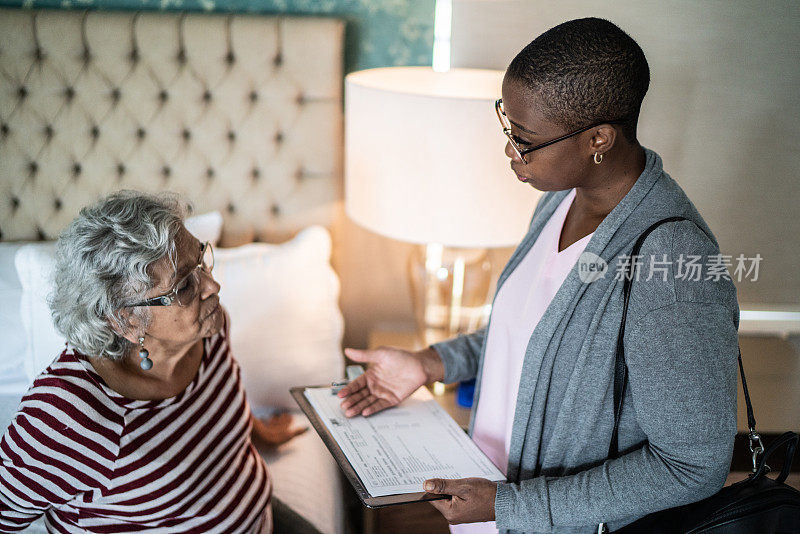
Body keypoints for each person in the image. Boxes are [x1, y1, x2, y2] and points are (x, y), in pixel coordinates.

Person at [338, 17, 740, 533]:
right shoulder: (557, 202)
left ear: (598, 138)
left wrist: (512, 507)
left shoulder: (670, 263)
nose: (510, 150)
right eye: (507, 124)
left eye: (525, 139)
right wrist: (431, 362)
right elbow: (534, 336)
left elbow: (692, 466)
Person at [0, 191, 305, 532]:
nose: (213, 286)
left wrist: (257, 432)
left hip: (260, 513)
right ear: (127, 321)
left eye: (201, 261)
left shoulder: (209, 328)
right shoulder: (63, 421)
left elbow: (211, 407)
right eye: (184, 286)